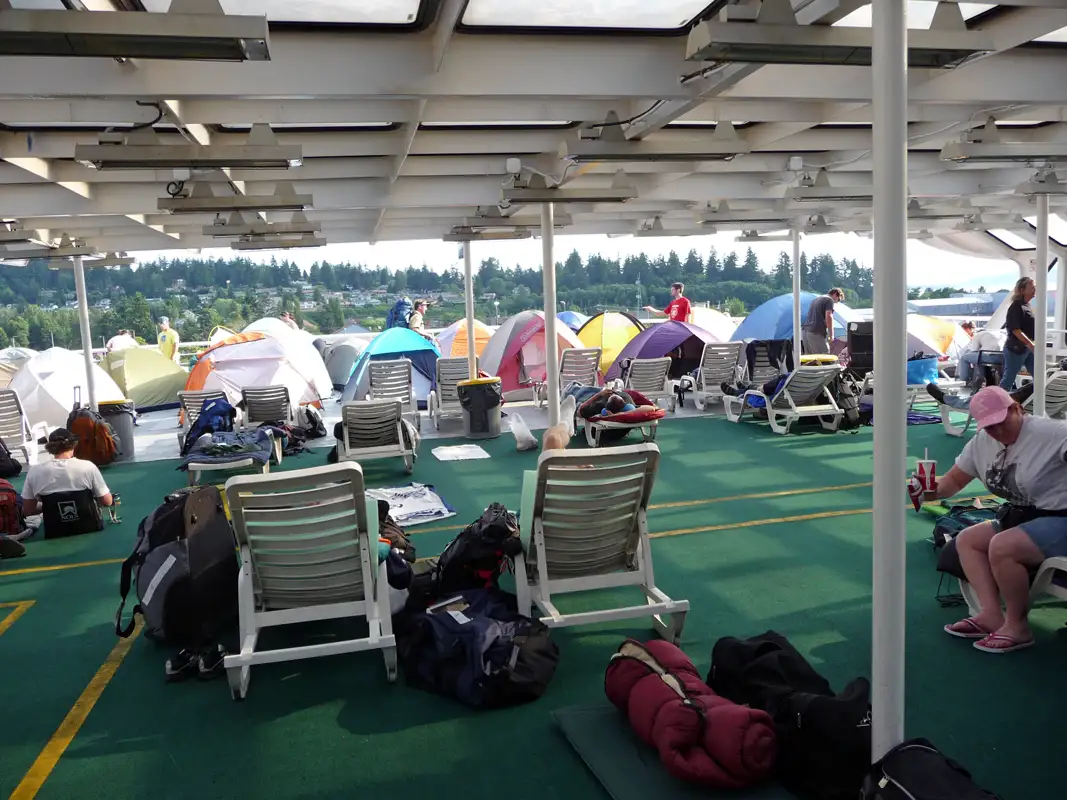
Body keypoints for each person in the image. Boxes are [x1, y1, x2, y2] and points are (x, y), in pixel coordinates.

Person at [916, 386, 1067, 653]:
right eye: (988, 426)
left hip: (1061, 516)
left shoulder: (1053, 434)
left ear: (1016, 409)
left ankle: (1018, 627)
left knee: (1003, 546)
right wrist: (928, 491)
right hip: (1025, 516)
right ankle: (990, 614)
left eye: (1000, 421)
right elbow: (951, 482)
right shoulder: (981, 443)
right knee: (968, 540)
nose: (995, 430)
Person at [21, 429, 114, 519]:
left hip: (55, 529)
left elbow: (28, 509)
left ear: (50, 447)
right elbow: (107, 501)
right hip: (87, 523)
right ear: (73, 445)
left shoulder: (34, 471)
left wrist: (52, 506)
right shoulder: (88, 466)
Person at [1000, 276, 1036, 391]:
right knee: (1008, 379)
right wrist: (1030, 344)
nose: (1035, 289)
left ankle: (1039, 400)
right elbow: (1015, 330)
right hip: (1016, 349)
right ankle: (998, 404)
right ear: (1022, 290)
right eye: (1032, 287)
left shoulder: (1027, 306)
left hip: (1027, 348)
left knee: (1040, 375)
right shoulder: (1016, 307)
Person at [801, 288, 844, 355]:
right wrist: (831, 335)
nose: (837, 302)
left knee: (810, 358)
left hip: (805, 331)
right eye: (838, 299)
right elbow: (829, 316)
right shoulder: (829, 300)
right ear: (835, 294)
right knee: (824, 356)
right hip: (815, 331)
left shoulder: (816, 299)